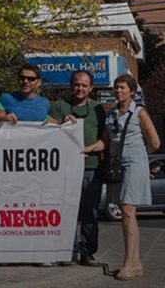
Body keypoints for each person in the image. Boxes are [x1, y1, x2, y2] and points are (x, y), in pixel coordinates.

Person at [82, 74, 160, 280]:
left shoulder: (139, 112)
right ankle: (135, 263)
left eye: (123, 87)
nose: (119, 91)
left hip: (134, 163)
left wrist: (140, 157)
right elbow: (105, 142)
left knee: (127, 210)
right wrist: (87, 148)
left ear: (132, 91)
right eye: (117, 87)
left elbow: (154, 143)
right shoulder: (112, 113)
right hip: (117, 165)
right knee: (126, 213)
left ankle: (129, 263)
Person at [48, 70, 107, 266]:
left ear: (90, 88)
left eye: (84, 85)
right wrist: (59, 122)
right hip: (64, 168)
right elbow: (47, 127)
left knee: (90, 212)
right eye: (76, 84)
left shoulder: (98, 109)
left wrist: (92, 148)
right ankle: (69, 250)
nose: (79, 88)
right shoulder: (58, 106)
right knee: (66, 211)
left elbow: (104, 140)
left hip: (91, 167)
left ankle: (87, 251)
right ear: (70, 85)